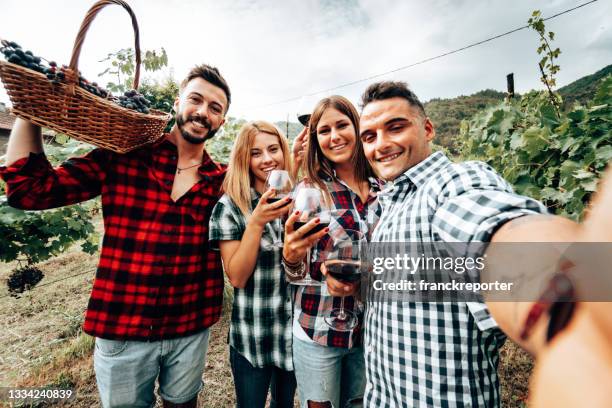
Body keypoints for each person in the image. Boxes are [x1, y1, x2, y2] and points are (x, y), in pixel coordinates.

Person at [323, 81, 588, 407]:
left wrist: (573, 312)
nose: (382, 144)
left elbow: (493, 231)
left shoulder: (453, 182)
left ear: (428, 129)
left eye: (395, 128)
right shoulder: (391, 202)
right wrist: (363, 284)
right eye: (370, 136)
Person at [0, 64, 231, 408]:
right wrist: (32, 111)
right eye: (196, 99)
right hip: (123, 326)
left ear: (222, 121)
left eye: (215, 108)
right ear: (177, 102)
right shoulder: (124, 157)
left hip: (191, 325)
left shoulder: (222, 180)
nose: (203, 112)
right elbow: (29, 190)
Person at [282, 95, 381, 408]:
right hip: (318, 330)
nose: (334, 136)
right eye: (324, 131)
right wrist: (293, 258)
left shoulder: (385, 188)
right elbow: (293, 273)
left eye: (342, 125)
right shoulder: (309, 192)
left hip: (373, 332)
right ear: (316, 139)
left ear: (357, 126)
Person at [208, 121, 296, 407]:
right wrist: (257, 221)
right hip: (253, 333)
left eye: (273, 149)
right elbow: (237, 277)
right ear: (244, 159)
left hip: (293, 333)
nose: (267, 159)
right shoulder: (230, 206)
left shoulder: (297, 201)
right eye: (256, 153)